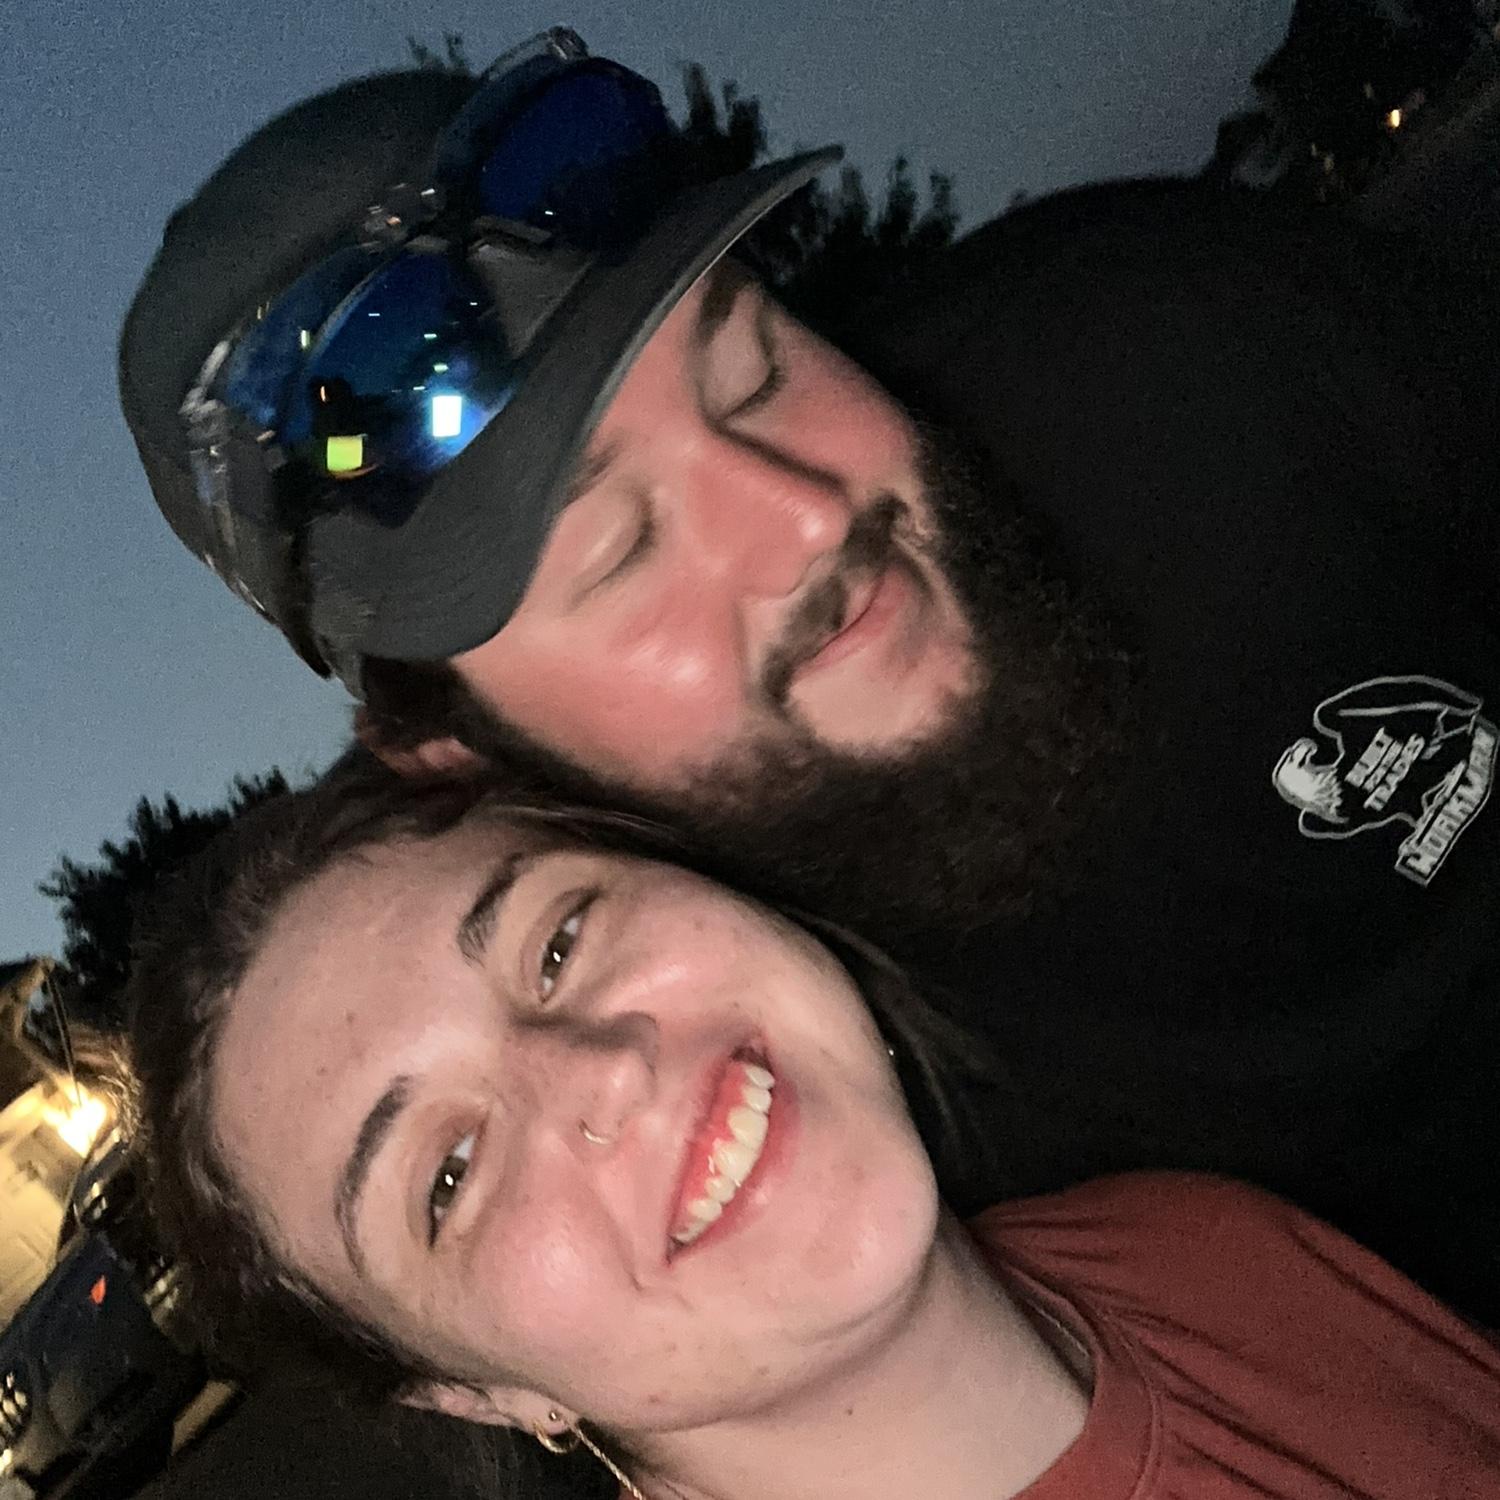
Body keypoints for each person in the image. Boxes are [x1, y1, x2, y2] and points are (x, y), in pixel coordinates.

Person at [119, 29, 1500, 1324]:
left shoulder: (1188, 358)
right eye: (618, 551)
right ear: (451, 750)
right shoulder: (747, 1126)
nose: (804, 519)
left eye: (752, 371)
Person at [126, 764, 1500, 1500]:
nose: (602, 1071)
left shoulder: (1200, 1237)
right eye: (449, 1173)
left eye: (559, 940)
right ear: (476, 1395)